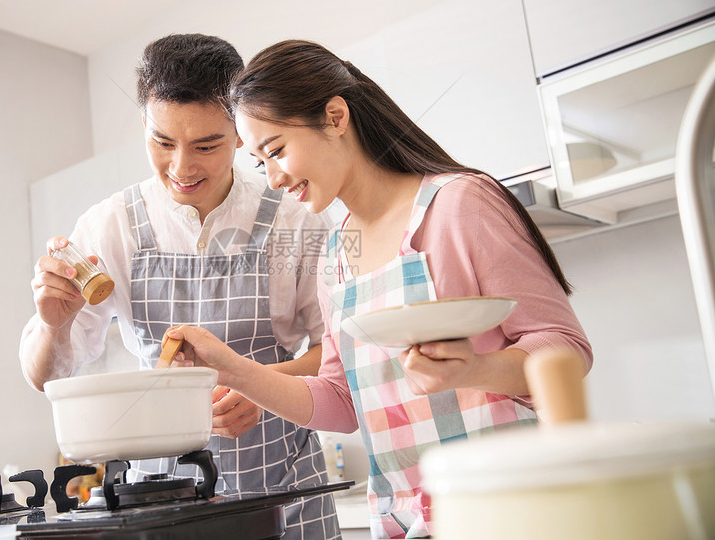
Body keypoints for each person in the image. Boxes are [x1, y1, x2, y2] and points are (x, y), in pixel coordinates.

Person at [163, 39, 593, 539]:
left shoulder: (460, 204)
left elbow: (566, 350)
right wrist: (231, 368)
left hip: (511, 508)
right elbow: (342, 402)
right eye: (261, 163)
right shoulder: (335, 254)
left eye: (277, 150)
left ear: (336, 116)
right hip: (406, 521)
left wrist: (474, 369)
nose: (275, 179)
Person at [19, 34, 341, 539]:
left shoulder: (295, 219)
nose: (181, 168)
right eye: (162, 142)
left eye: (206, 145)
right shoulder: (110, 227)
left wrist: (264, 387)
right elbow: (46, 378)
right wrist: (51, 324)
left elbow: (340, 351)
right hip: (160, 503)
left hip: (283, 492)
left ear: (240, 132)